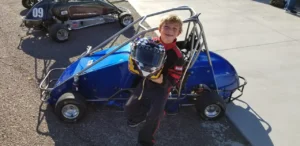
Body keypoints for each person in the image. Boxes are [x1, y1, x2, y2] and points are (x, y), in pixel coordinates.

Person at [125, 14, 184, 146]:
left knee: (154, 116)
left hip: (162, 89)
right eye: (166, 27)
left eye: (174, 29)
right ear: (160, 28)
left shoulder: (177, 55)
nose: (169, 31)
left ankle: (146, 140)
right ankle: (137, 118)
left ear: (178, 33)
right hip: (145, 82)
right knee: (129, 106)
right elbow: (136, 58)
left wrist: (162, 81)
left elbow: (175, 78)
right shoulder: (149, 43)